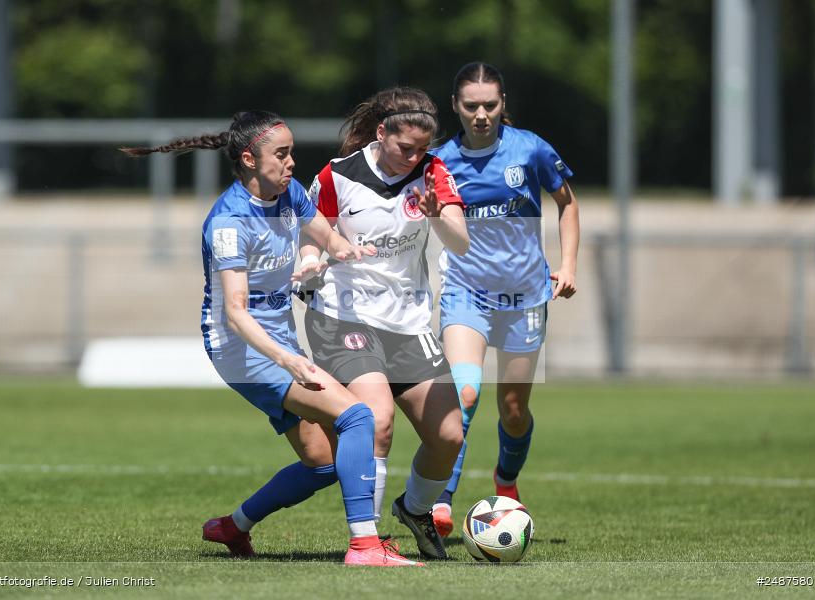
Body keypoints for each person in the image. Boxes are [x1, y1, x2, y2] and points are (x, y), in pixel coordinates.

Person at [120, 111, 421, 567]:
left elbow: (328, 238)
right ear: (249, 159)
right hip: (241, 348)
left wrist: (339, 253)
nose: (291, 162)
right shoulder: (228, 221)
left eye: (291, 152)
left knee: (322, 463)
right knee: (359, 418)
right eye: (281, 154)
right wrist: (289, 359)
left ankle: (232, 527)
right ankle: (365, 547)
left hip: (277, 338)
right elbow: (236, 312)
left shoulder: (290, 194)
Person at [300, 87, 469, 560]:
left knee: (450, 434)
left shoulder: (433, 173)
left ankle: (414, 510)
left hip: (407, 321)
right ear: (381, 133)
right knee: (377, 419)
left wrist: (439, 216)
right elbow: (314, 232)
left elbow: (460, 243)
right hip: (343, 315)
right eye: (404, 148)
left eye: (421, 149)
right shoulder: (337, 176)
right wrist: (311, 259)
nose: (413, 157)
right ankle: (367, 541)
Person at [428, 63, 580, 538]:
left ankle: (506, 480)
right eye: (470, 105)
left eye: (489, 105)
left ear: (502, 104)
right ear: (455, 106)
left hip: (525, 299)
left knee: (513, 410)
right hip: (466, 295)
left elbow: (567, 203)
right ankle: (440, 499)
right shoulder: (439, 161)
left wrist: (569, 264)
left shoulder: (530, 149)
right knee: (465, 394)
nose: (480, 114)